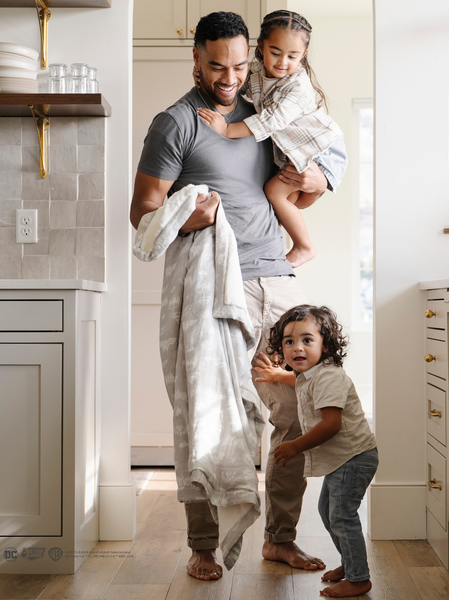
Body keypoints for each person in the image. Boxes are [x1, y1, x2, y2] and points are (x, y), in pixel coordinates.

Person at [129, 11, 348, 581]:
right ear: (196, 60)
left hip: (275, 278)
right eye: (216, 66)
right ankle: (204, 544)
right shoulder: (176, 123)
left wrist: (320, 182)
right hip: (213, 280)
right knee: (209, 414)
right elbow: (143, 214)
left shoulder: (266, 113)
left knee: (296, 412)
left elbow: (298, 188)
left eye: (239, 65)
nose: (230, 78)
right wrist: (188, 217)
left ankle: (279, 539)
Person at [197, 10, 341, 269]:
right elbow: (236, 80)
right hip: (297, 148)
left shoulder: (297, 87)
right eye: (275, 52)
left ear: (303, 56)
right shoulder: (257, 70)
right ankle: (277, 244)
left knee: (275, 192)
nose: (282, 62)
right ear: (261, 47)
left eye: (292, 56)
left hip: (321, 149)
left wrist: (228, 130)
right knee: (282, 203)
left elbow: (271, 120)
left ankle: (304, 246)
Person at [254, 305, 378, 598]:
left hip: (354, 458)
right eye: (289, 341)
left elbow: (331, 424)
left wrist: (296, 445)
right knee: (328, 511)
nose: (297, 347)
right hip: (342, 459)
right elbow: (297, 382)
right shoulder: (310, 374)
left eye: (307, 340)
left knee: (341, 515)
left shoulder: (328, 377)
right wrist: (276, 376)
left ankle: (359, 577)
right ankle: (350, 564)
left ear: (326, 343)